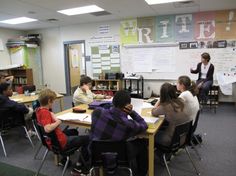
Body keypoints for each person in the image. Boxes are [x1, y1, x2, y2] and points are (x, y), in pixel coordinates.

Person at [90, 90, 148, 176]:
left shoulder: (96, 113)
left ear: (113, 101)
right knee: (143, 142)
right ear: (128, 105)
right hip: (120, 157)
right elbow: (144, 125)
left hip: (97, 156)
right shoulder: (128, 124)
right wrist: (132, 112)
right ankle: (141, 173)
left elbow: (107, 108)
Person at [36, 88, 90, 174]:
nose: (53, 103)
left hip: (51, 141)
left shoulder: (39, 110)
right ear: (49, 101)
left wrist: (53, 116)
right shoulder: (45, 113)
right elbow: (47, 128)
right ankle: (79, 166)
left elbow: (48, 121)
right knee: (88, 139)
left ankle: (64, 160)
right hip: (61, 142)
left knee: (74, 132)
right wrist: (59, 121)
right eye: (53, 101)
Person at [152, 83, 190, 147]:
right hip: (183, 137)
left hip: (172, 140)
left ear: (162, 95)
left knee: (149, 136)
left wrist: (159, 100)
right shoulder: (180, 102)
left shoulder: (165, 106)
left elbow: (153, 112)